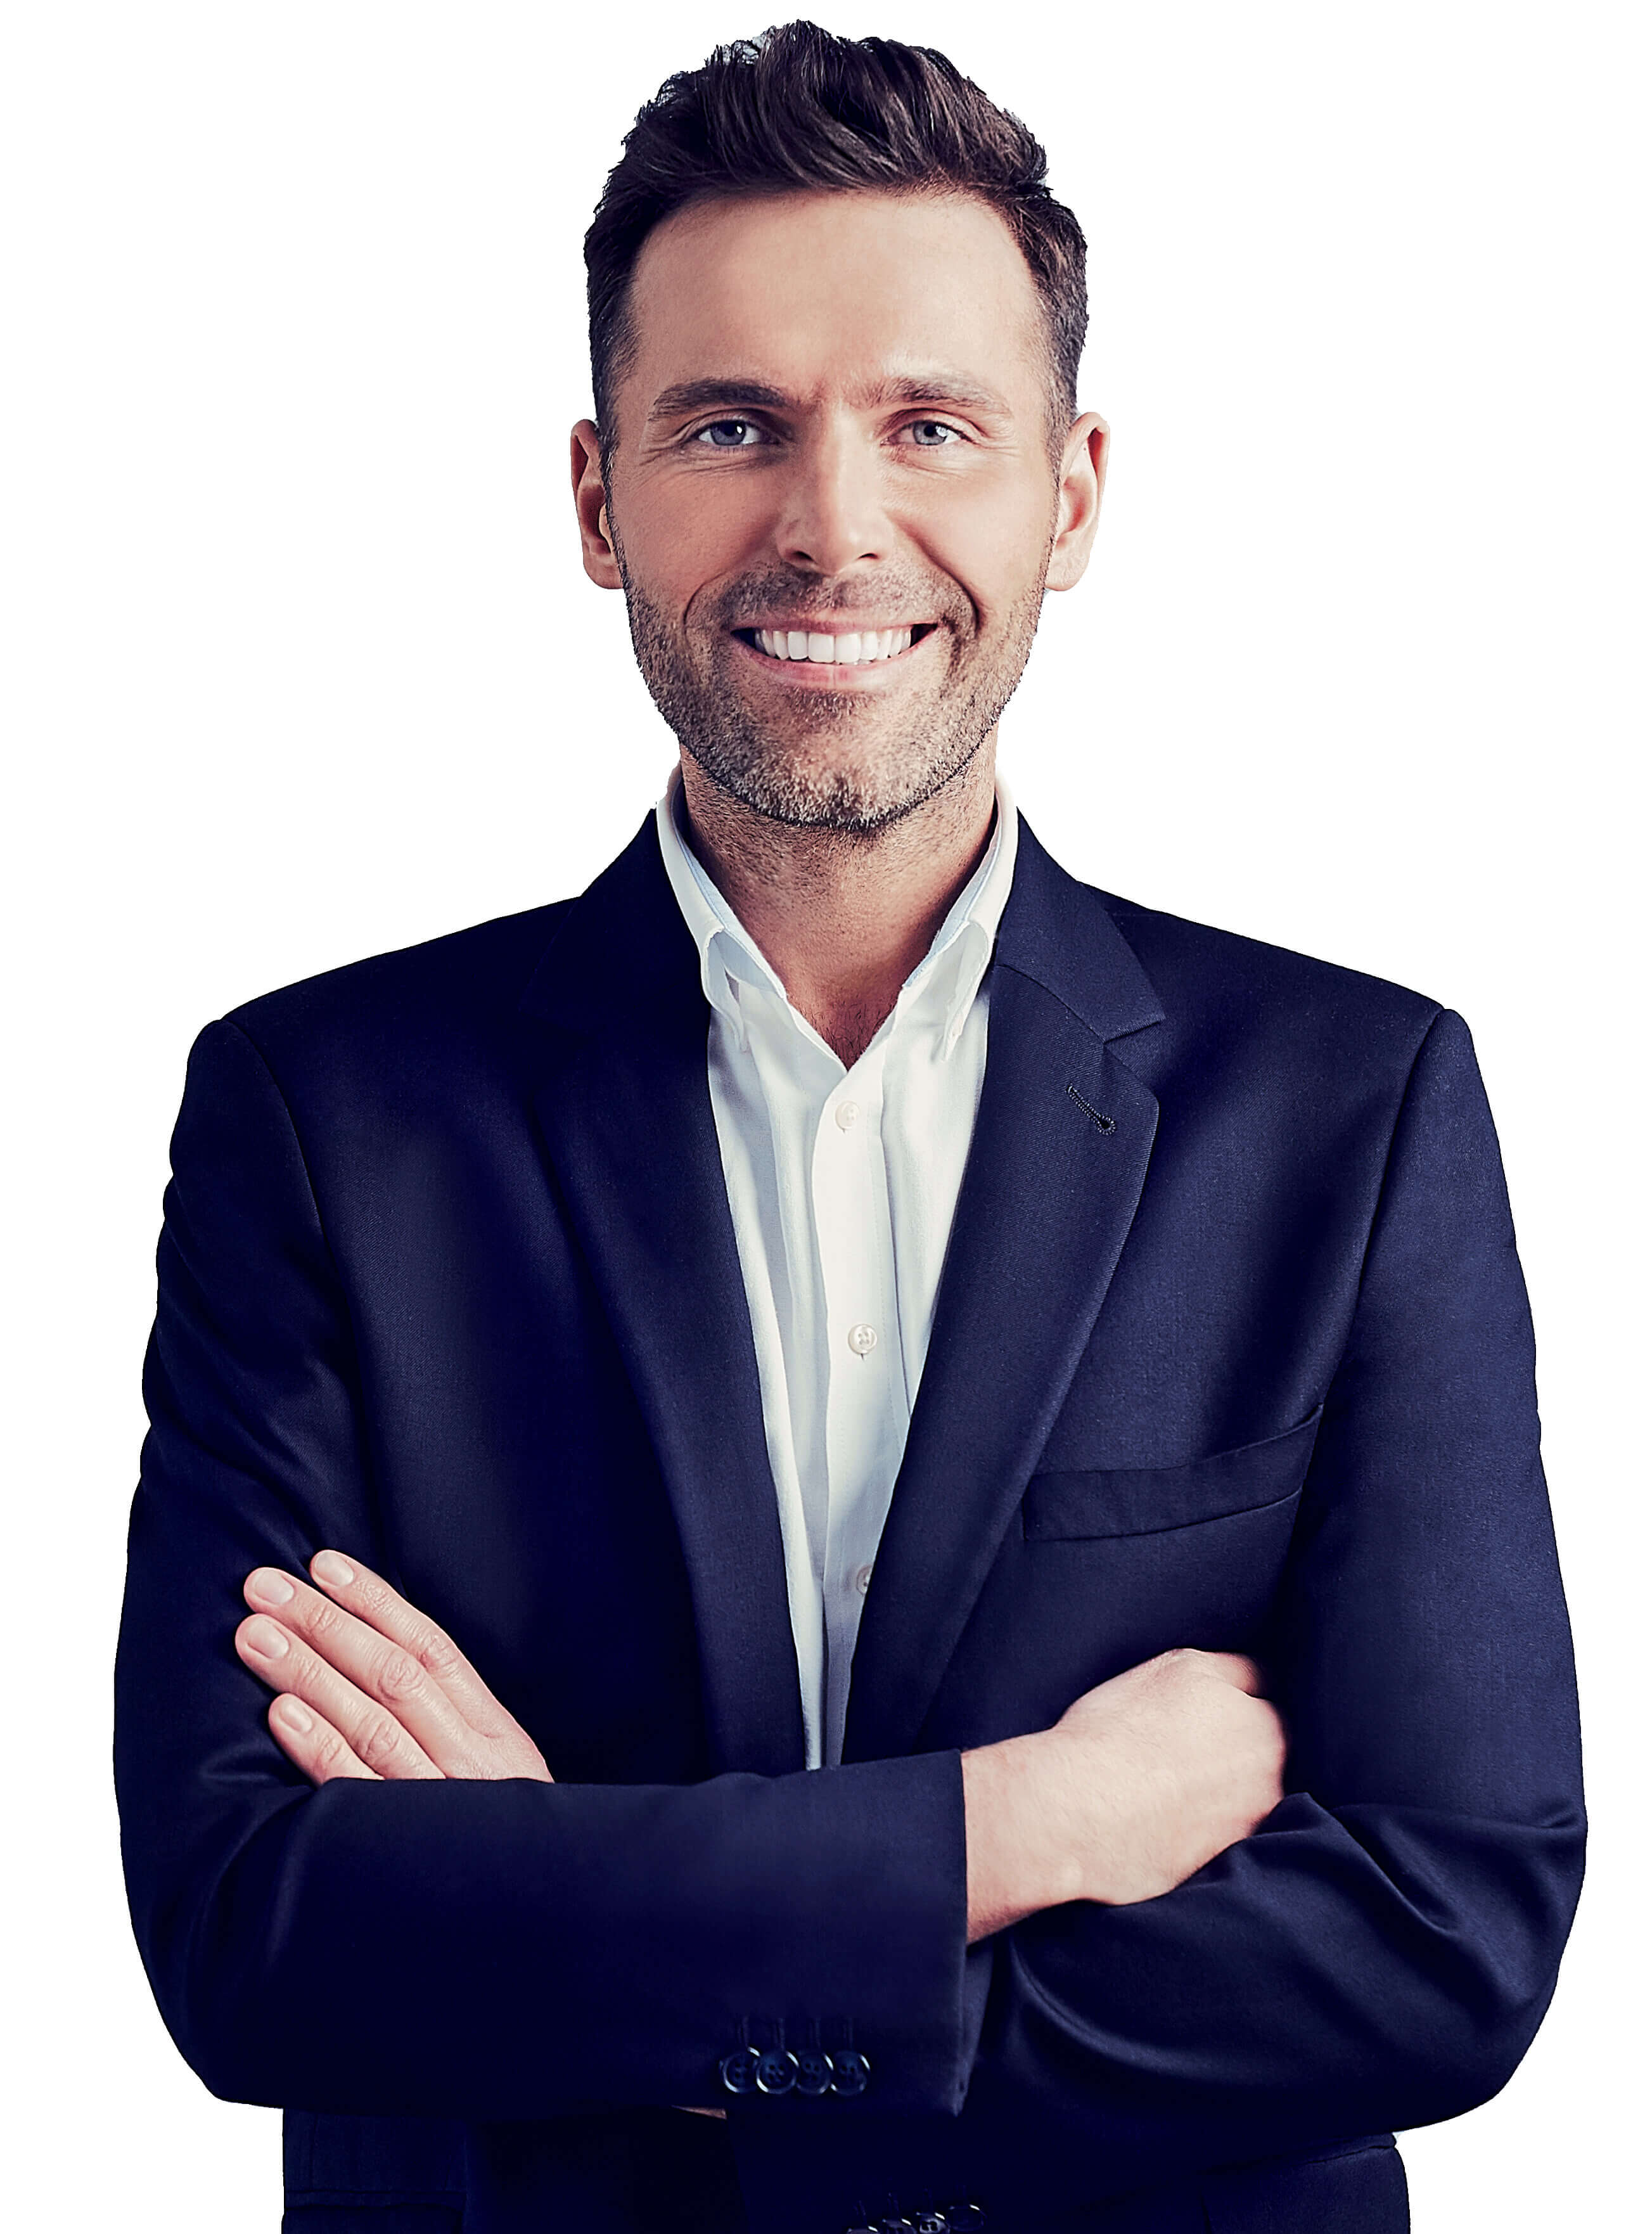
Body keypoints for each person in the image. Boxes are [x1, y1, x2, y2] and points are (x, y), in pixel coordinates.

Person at [115, 23, 1584, 2234]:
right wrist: (1029, 1827)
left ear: (1068, 493)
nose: (835, 524)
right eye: (731, 424)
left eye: (930, 426)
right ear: (599, 496)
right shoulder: (323, 1118)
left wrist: (630, 1979)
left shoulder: (1353, 1110)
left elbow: (1447, 1941)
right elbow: (254, 1931)